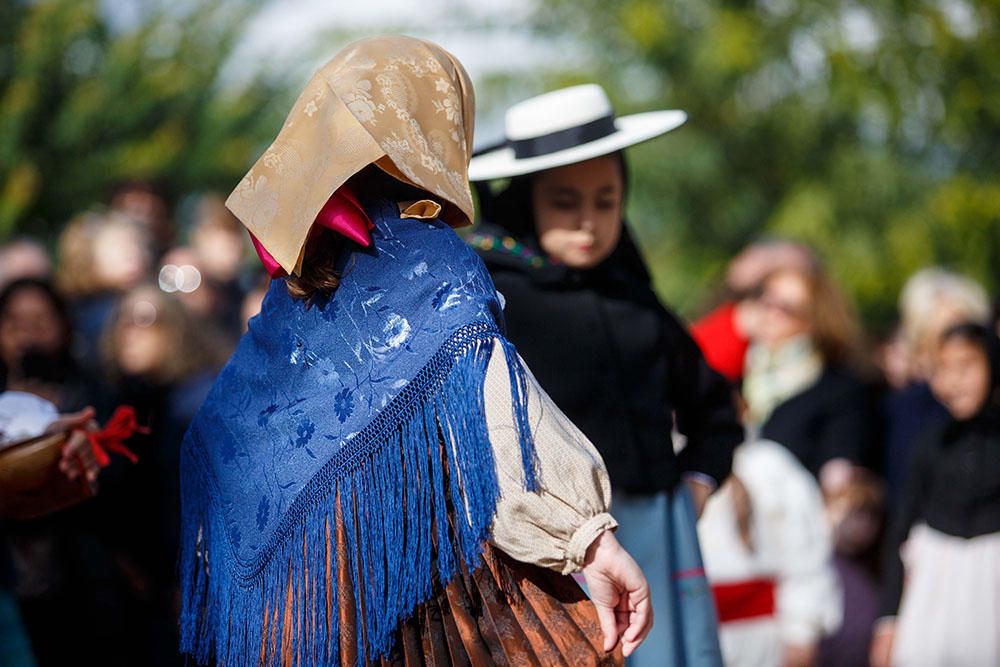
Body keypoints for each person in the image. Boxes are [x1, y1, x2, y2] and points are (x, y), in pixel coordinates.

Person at [179, 37, 652, 667]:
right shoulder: (428, 258)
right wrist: (588, 538)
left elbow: (215, 447)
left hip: (303, 625)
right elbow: (499, 419)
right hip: (424, 611)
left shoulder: (292, 285)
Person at [468, 83, 742, 665]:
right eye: (566, 203)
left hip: (662, 534)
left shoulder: (638, 303)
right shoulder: (493, 306)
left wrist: (697, 485)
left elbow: (714, 411)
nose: (588, 222)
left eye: (606, 201)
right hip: (555, 558)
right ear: (527, 202)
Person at [870, 322, 1000, 666]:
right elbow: (900, 529)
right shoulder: (931, 445)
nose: (953, 381)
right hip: (934, 588)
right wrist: (888, 621)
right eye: (943, 369)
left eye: (966, 367)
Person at [697, 399, 841, 667]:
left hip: (763, 639)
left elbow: (806, 554)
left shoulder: (769, 465)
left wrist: (802, 629)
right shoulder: (662, 466)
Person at [741, 265, 880, 491]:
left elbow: (839, 481)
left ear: (814, 319)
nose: (768, 313)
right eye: (765, 300)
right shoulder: (742, 376)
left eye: (784, 308)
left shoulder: (840, 390)